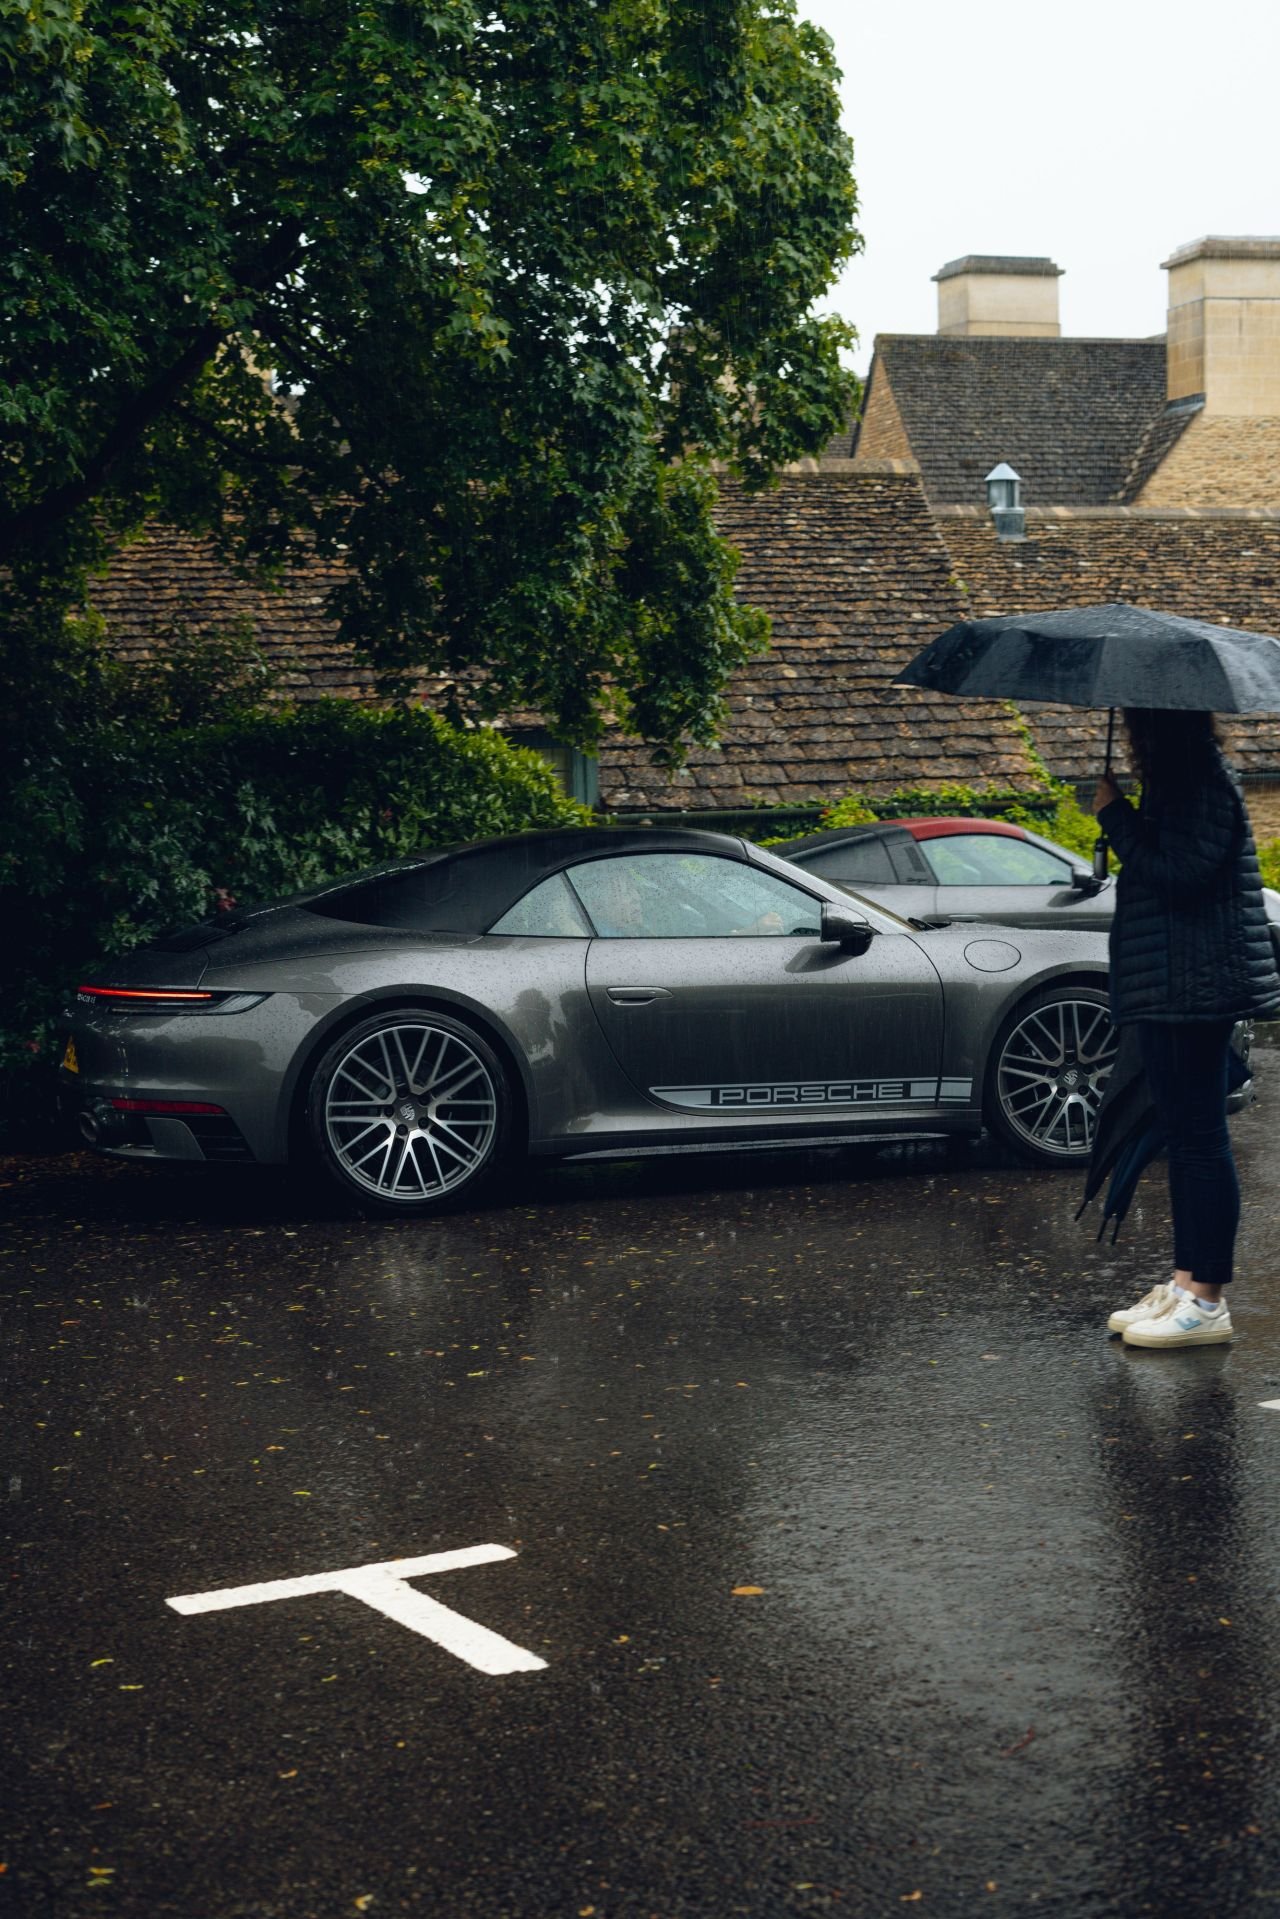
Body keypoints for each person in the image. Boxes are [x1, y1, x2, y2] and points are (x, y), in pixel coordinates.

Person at [1096, 708, 1280, 1349]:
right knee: (1184, 1136)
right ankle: (1184, 1282)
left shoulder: (1199, 780)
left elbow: (1181, 875)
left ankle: (1208, 1300)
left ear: (1156, 725)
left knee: (1201, 1140)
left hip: (1197, 984)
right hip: (1176, 981)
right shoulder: (1183, 778)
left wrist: (1116, 817)